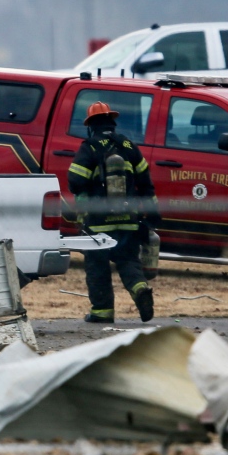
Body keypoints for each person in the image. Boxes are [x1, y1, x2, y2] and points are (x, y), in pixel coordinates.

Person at [68, 101, 159, 323]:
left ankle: (102, 311)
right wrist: (152, 214)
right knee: (128, 261)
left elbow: (75, 180)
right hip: (128, 220)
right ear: (112, 122)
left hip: (98, 222)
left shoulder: (89, 147)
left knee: (97, 267)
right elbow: (146, 183)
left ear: (91, 125)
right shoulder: (129, 146)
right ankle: (139, 289)